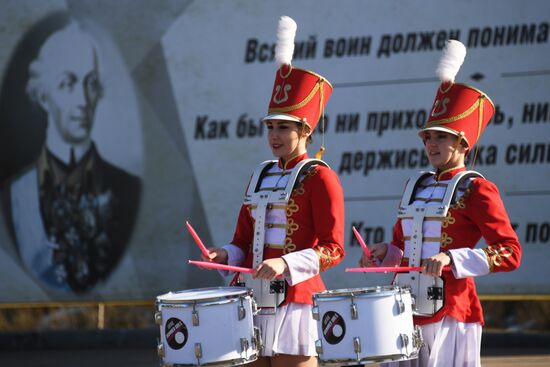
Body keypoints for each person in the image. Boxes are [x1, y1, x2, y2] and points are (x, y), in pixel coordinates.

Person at [359, 40, 521, 367]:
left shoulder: (477, 189)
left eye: (441, 137)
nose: (431, 143)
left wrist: (451, 258)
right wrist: (385, 252)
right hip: (404, 306)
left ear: (462, 142)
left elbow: (509, 252)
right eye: (428, 137)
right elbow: (403, 245)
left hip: (452, 311)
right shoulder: (415, 184)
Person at [201, 16, 345, 367]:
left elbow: (333, 250)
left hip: (297, 300)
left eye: (284, 127)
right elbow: (244, 239)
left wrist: (284, 262)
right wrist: (226, 255)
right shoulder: (261, 174)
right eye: (271, 127)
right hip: (253, 297)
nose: (275, 135)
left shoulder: (320, 177)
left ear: (306, 130)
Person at [7, 22, 141, 293]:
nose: (82, 99)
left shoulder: (129, 190)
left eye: (90, 83)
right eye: (67, 84)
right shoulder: (11, 197)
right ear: (44, 96)